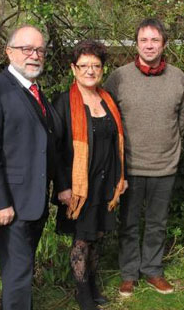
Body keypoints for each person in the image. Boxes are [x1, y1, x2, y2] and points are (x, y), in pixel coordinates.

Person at [104, 18, 184, 297]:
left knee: (157, 223)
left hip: (164, 165)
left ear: (164, 44)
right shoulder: (119, 77)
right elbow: (106, 115)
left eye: (155, 40)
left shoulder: (177, 77)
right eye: (144, 40)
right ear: (136, 43)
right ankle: (129, 273)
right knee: (128, 223)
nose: (149, 45)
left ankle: (152, 270)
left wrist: (169, 144)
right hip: (128, 166)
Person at [0, 25, 60, 309]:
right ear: (9, 52)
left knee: (20, 274)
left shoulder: (36, 91)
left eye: (40, 50)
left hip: (35, 202)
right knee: (17, 277)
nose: (34, 55)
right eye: (27, 49)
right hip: (11, 204)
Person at [52, 39, 127, 310]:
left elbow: (118, 142)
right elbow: (56, 150)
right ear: (74, 68)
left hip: (106, 182)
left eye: (96, 65)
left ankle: (93, 286)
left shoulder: (108, 100)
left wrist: (122, 176)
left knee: (98, 237)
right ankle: (83, 294)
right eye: (84, 66)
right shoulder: (63, 102)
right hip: (79, 186)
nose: (90, 71)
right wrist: (62, 186)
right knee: (82, 239)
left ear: (102, 69)